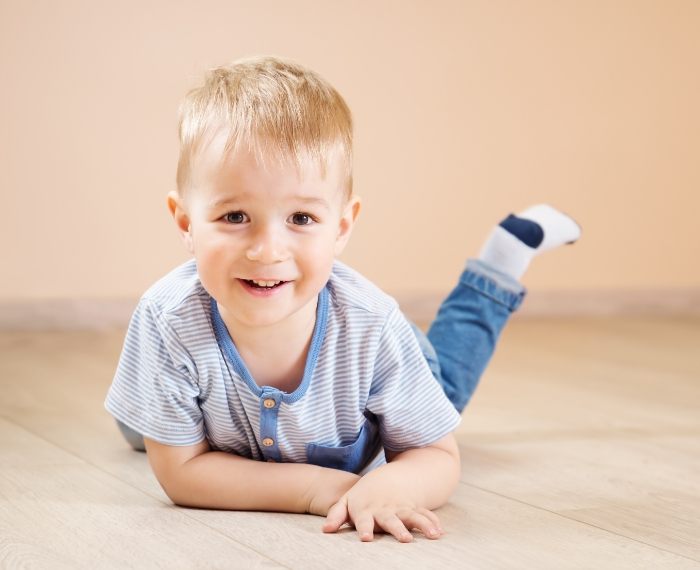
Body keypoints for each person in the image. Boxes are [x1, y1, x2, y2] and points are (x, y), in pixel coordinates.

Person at [105, 55, 581, 543]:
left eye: (302, 219)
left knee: (448, 388)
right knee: (142, 425)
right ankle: (144, 413)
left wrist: (393, 483)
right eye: (234, 217)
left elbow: (437, 457)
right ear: (186, 223)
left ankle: (500, 262)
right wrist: (317, 488)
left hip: (376, 361)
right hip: (210, 374)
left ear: (342, 226)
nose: (267, 251)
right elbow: (181, 473)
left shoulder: (374, 327)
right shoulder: (167, 318)